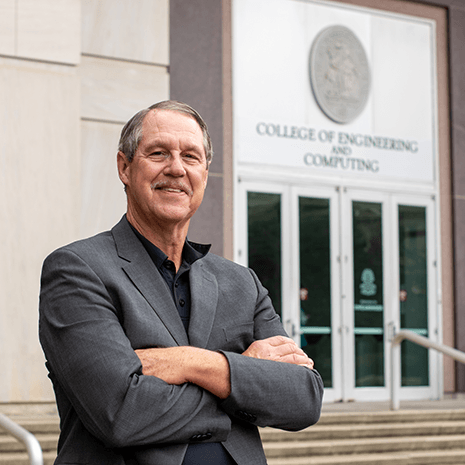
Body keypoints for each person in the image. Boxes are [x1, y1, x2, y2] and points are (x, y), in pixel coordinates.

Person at [39, 100, 324, 465]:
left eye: (191, 156)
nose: (176, 168)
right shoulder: (78, 270)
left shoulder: (241, 283)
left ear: (204, 173)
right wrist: (242, 379)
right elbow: (119, 412)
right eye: (158, 153)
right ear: (124, 167)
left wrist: (193, 364)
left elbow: (303, 398)